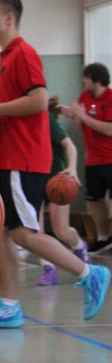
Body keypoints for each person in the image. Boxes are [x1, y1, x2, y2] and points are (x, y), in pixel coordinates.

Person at [0, 0, 110, 328]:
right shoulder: (5, 58)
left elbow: (38, 100)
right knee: (2, 232)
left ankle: (88, 272)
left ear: (8, 18)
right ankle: (9, 306)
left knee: (23, 233)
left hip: (22, 160)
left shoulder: (24, 53)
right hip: (7, 159)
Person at [36, 96, 87, 286]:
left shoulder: (46, 118)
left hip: (56, 178)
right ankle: (48, 268)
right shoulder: (17, 120)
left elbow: (69, 145)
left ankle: (79, 246)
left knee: (61, 230)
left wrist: (72, 169)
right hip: (33, 178)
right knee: (35, 231)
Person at [62, 62, 112, 253]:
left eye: (87, 77)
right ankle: (103, 238)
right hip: (93, 160)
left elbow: (109, 129)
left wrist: (83, 116)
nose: (83, 80)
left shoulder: (110, 98)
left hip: (110, 159)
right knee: (94, 200)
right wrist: (74, 117)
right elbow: (81, 128)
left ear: (97, 80)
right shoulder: (84, 96)